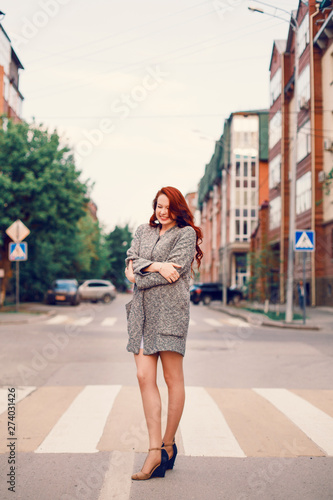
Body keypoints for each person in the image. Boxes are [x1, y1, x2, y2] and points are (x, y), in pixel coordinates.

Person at [124, 186, 203, 481]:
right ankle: (154, 450)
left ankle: (167, 444)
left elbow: (173, 274)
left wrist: (139, 274)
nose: (162, 211)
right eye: (158, 205)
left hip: (170, 315)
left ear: (177, 208)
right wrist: (155, 265)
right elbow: (130, 266)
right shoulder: (143, 230)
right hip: (142, 316)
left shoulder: (186, 234)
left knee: (172, 379)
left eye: (168, 207)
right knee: (144, 377)